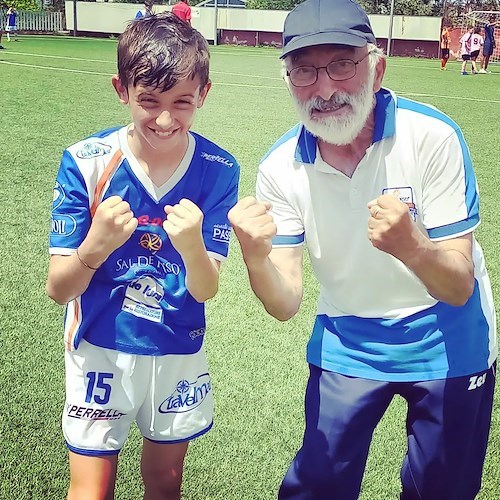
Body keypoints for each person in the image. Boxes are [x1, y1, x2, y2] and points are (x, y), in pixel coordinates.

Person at [228, 0, 497, 499]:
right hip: (348, 336)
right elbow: (285, 303)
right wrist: (254, 256)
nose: (325, 89)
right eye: (304, 71)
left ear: (376, 68)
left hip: (447, 336)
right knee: (318, 486)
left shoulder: (433, 136)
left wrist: (412, 246)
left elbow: (458, 286)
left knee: (441, 490)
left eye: (341, 65)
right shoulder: (280, 167)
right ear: (287, 80)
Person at [46, 12, 239, 500]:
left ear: (205, 95)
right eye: (148, 101)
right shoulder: (87, 162)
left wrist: (193, 244)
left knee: (165, 481)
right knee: (91, 489)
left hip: (177, 349)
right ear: (121, 89)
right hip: (100, 348)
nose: (165, 119)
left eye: (183, 102)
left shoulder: (218, 169)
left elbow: (206, 288)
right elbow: (59, 288)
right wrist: (96, 245)